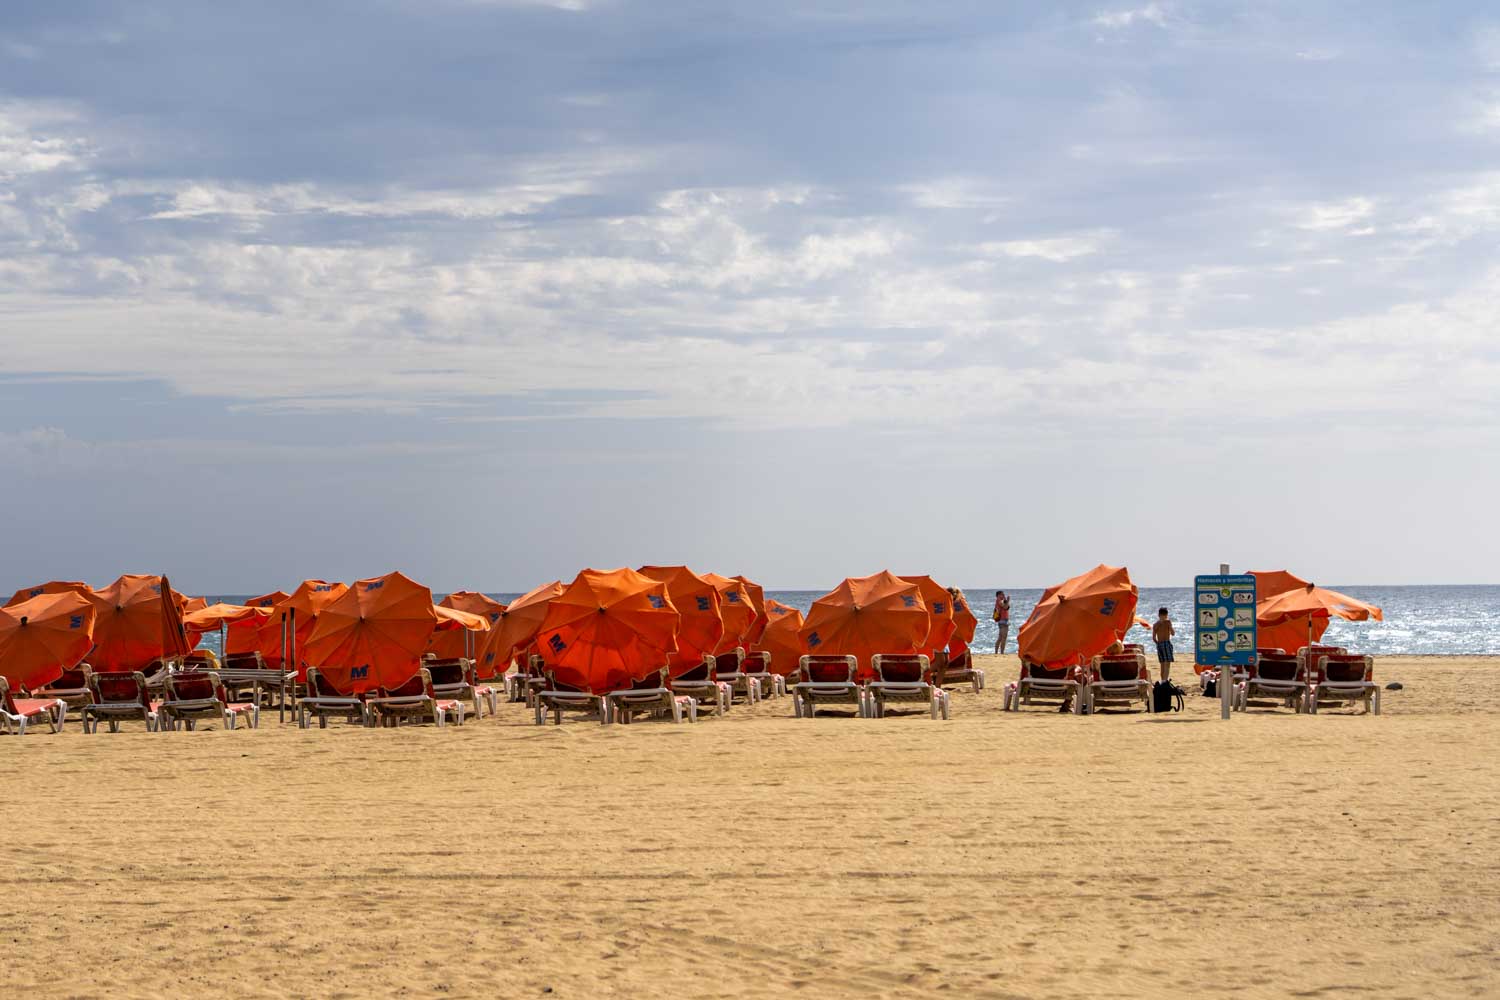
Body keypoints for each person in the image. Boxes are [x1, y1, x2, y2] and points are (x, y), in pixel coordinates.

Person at [1152, 607, 1175, 681]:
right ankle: (1165, 681)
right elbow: (1173, 633)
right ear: (1166, 615)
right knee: (1167, 664)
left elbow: (1154, 638)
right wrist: (1170, 626)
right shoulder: (1167, 622)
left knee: (1162, 664)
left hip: (1159, 644)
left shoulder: (1155, 624)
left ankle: (1162, 681)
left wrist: (1158, 644)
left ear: (1159, 615)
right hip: (1166, 643)